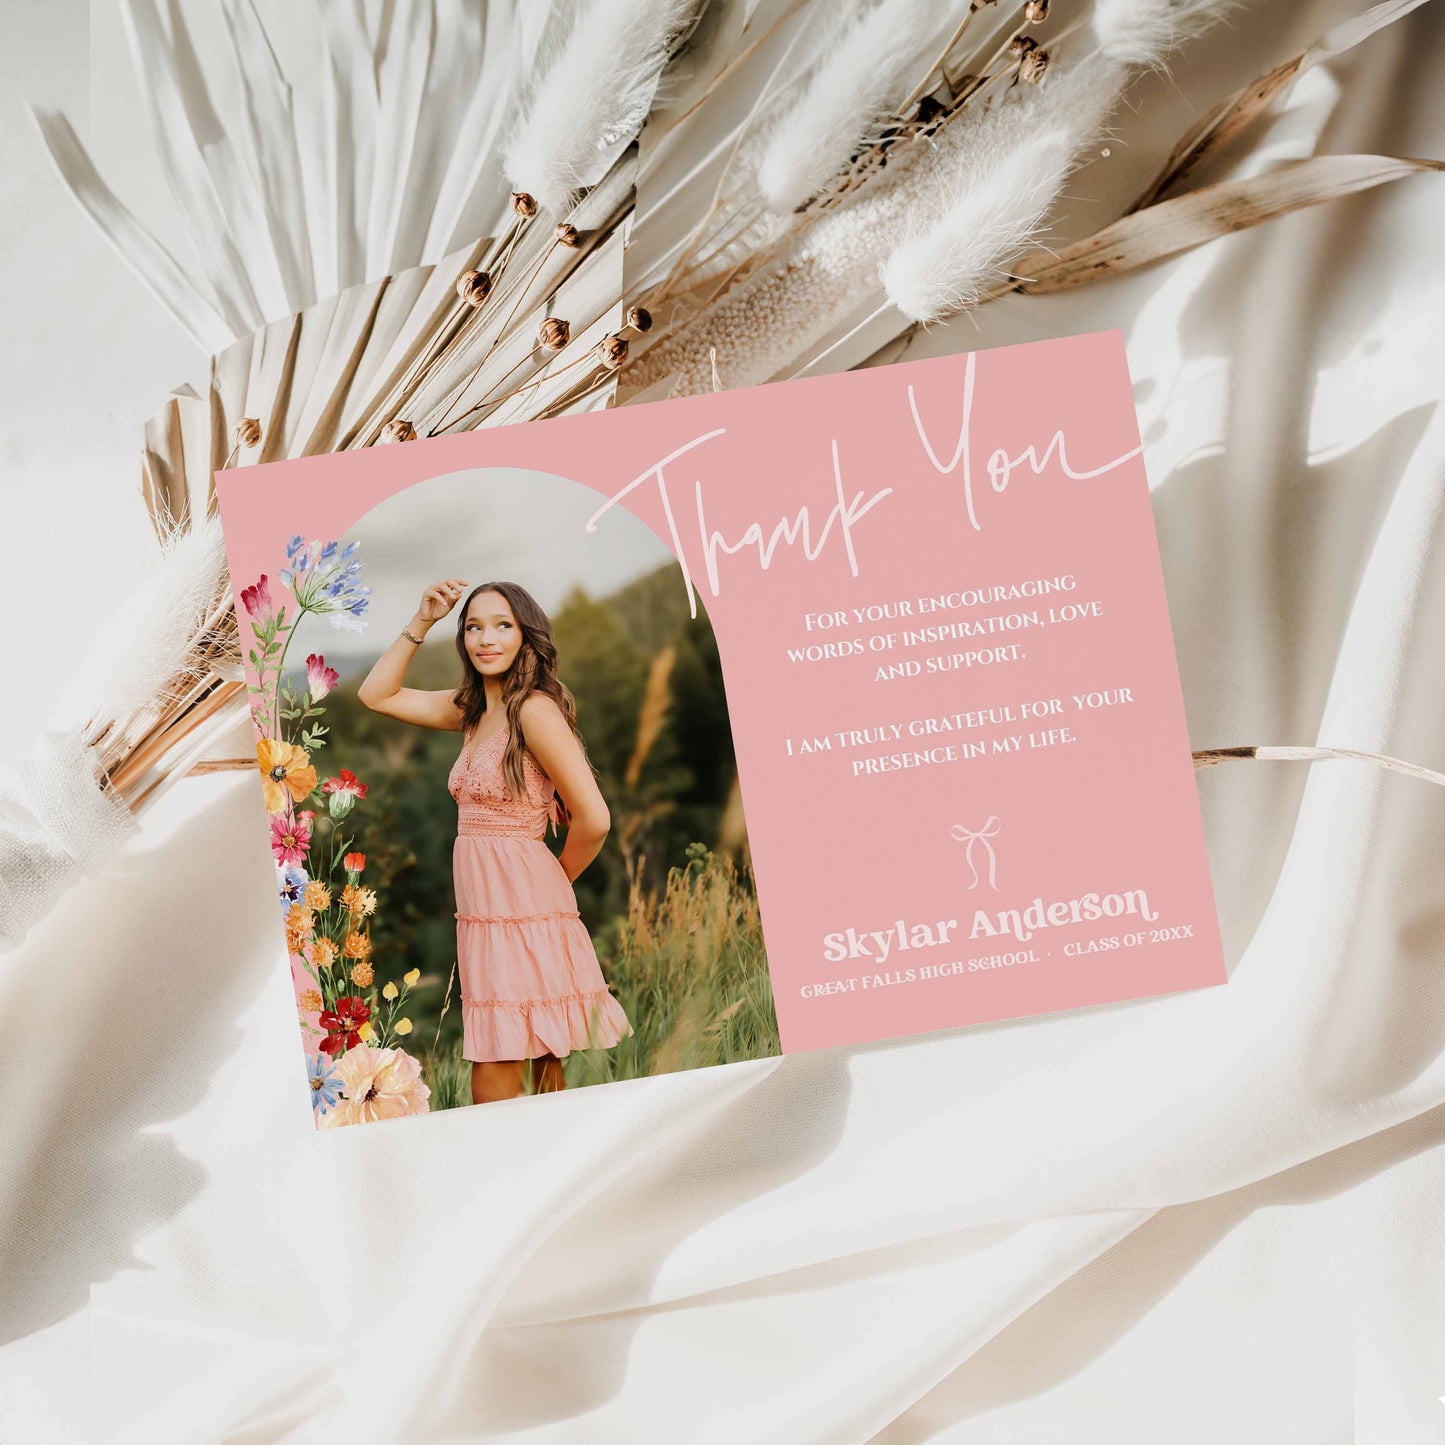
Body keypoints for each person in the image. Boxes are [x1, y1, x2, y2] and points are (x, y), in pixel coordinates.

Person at [358, 578, 632, 1103]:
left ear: (526, 636)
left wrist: (555, 882)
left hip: (524, 906)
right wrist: (424, 619)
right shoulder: (474, 712)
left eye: (502, 625)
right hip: (486, 914)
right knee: (539, 1065)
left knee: (500, 1070)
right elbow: (376, 695)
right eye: (473, 626)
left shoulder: (534, 712)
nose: (486, 638)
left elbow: (594, 818)